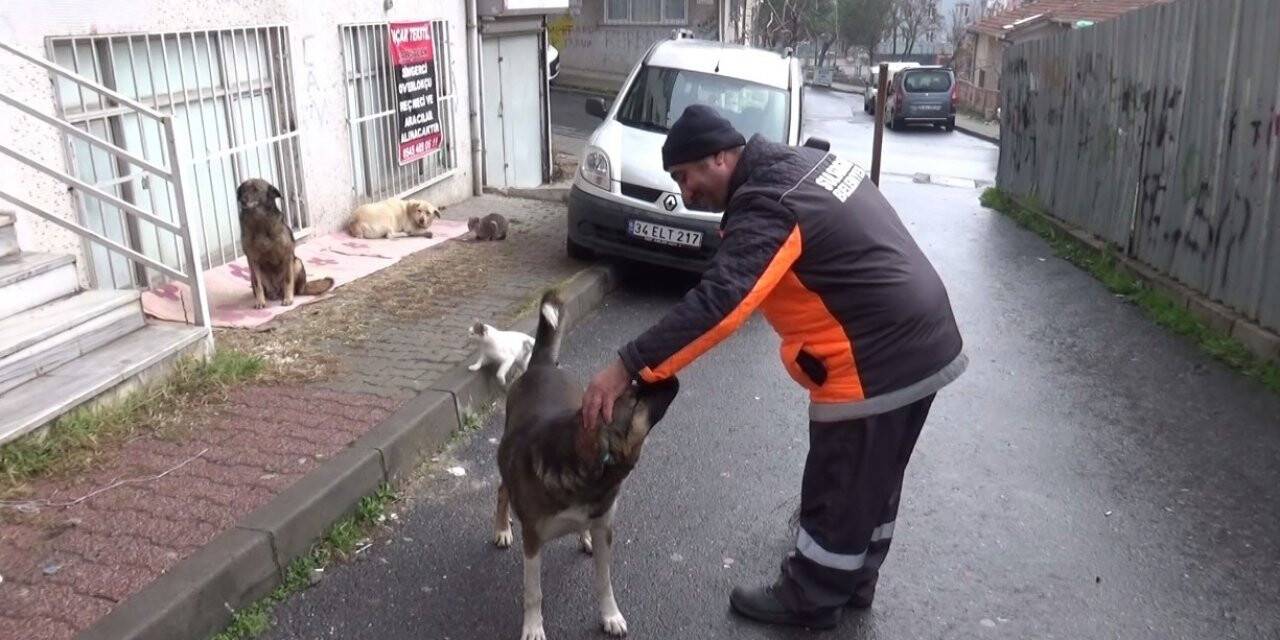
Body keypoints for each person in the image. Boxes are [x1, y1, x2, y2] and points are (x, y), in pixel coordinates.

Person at [581, 104, 967, 629]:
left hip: (876, 357)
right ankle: (855, 579)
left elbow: (721, 303)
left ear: (720, 158)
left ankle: (811, 597)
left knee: (839, 479)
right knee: (874, 477)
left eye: (686, 176)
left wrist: (627, 366)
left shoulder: (770, 202)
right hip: (920, 338)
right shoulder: (797, 166)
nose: (685, 191)